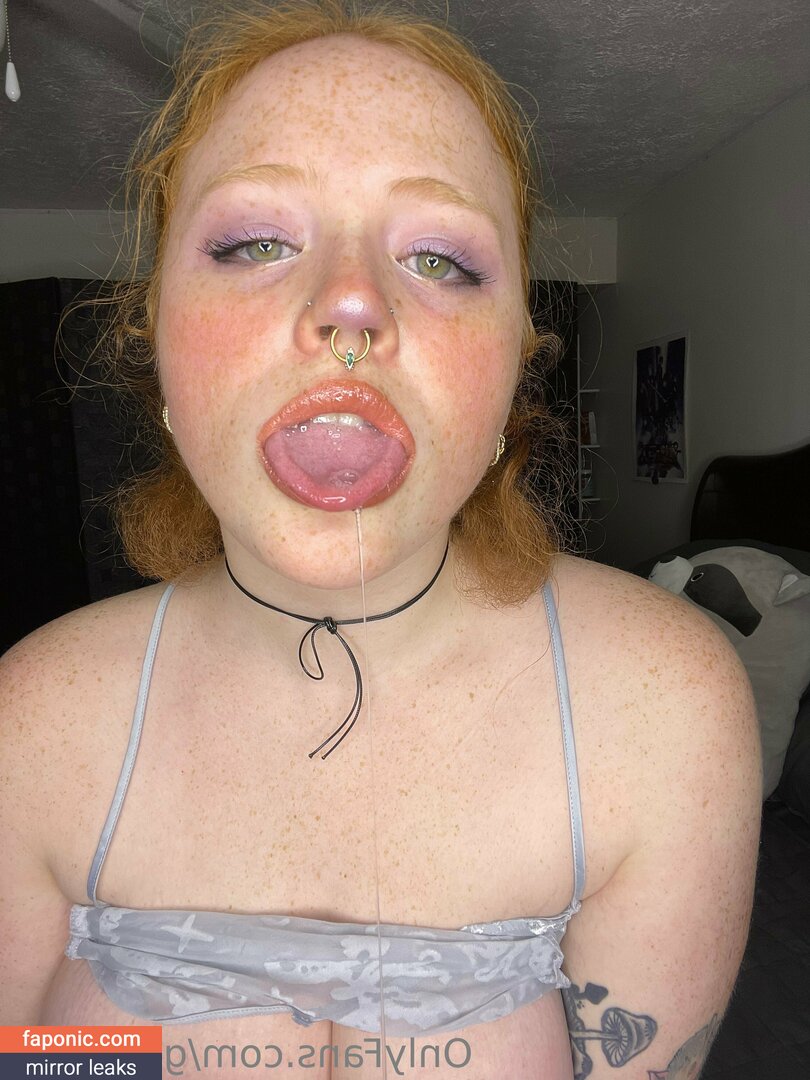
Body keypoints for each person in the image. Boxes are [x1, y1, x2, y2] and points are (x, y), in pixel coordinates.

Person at [0, 2, 761, 1077]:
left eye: (441, 259)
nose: (351, 303)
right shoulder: (27, 725)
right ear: (155, 337)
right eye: (255, 242)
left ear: (513, 366)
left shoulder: (664, 706)